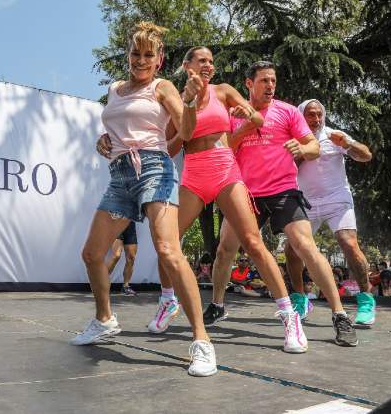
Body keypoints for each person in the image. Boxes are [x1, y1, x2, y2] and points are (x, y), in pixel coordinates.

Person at [99, 48, 308, 353]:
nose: (208, 64)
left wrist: (245, 116)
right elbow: (169, 148)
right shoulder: (176, 98)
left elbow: (257, 118)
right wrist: (184, 115)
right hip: (194, 175)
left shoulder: (223, 91)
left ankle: (290, 317)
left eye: (211, 61)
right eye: (202, 61)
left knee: (253, 242)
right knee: (168, 244)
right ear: (187, 66)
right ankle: (168, 300)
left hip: (225, 170)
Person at [73, 22, 217, 377]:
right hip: (121, 175)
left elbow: (185, 131)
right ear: (128, 55)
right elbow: (118, 127)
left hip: (155, 169)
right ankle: (104, 319)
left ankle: (202, 342)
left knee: (168, 250)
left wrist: (191, 101)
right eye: (135, 53)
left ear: (159, 59)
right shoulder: (115, 89)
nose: (140, 60)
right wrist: (104, 140)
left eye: (148, 55)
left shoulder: (162, 87)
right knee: (92, 254)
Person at [212, 62, 358, 347]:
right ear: (249, 84)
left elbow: (313, 146)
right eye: (264, 81)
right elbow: (225, 147)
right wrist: (248, 124)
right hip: (245, 193)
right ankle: (217, 305)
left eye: (273, 81)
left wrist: (302, 148)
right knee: (224, 250)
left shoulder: (288, 111)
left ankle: (340, 315)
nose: (270, 86)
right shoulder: (233, 114)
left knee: (306, 247)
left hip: (283, 190)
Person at [283, 98, 376, 328]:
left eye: (319, 114)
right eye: (310, 114)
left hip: (337, 199)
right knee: (291, 250)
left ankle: (366, 300)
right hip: (306, 201)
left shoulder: (334, 135)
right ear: (301, 116)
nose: (316, 119)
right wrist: (301, 153)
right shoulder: (293, 139)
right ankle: (300, 299)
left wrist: (348, 144)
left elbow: (366, 155)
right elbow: (283, 169)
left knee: (349, 243)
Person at [106, 223, 139, 295]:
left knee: (131, 258)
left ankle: (125, 287)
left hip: (130, 225)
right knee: (116, 256)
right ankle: (100, 283)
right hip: (116, 223)